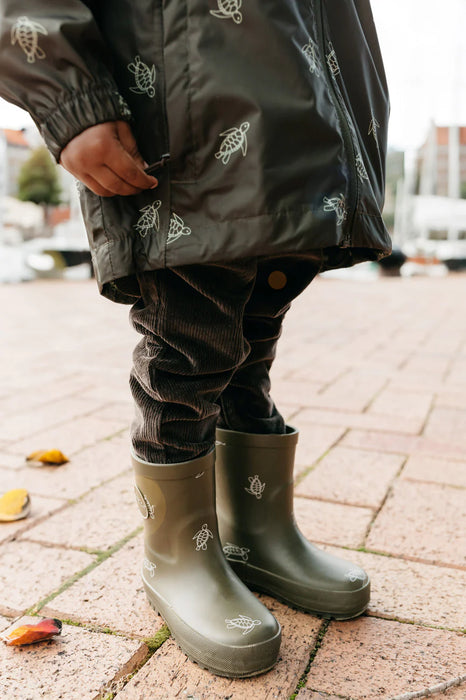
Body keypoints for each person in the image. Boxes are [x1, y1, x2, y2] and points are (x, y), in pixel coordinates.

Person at [0, 0, 391, 678]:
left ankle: (256, 535)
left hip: (294, 122)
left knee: (250, 339)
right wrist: (71, 98)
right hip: (179, 114)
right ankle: (178, 554)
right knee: (189, 347)